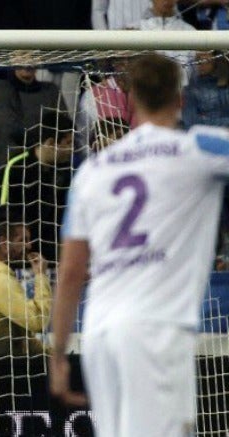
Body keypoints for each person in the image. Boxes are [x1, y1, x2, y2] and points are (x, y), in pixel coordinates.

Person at [50, 53, 229, 436]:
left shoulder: (92, 170)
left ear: (130, 102)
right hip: (155, 330)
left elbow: (69, 273)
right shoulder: (197, 149)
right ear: (180, 99)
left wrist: (59, 353)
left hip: (99, 333)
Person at [0, 218, 52, 357]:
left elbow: (19, 335)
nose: (29, 246)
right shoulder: (0, 282)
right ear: (4, 243)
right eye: (22, 240)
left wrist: (51, 354)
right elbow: (38, 321)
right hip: (1, 371)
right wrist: (41, 275)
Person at [0, 110, 74, 264]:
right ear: (52, 143)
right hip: (23, 253)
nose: (72, 149)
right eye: (68, 143)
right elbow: (4, 214)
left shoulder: (67, 170)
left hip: (55, 253)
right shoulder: (16, 167)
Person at [0, 65, 66, 183]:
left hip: (49, 172)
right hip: (12, 170)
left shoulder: (51, 91)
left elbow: (64, 126)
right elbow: (9, 128)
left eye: (33, 56)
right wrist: (41, 147)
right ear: (12, 58)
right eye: (22, 55)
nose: (28, 62)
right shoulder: (1, 89)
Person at [182, 50, 229, 129]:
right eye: (198, 61)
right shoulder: (191, 90)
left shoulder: (224, 86)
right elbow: (191, 122)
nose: (201, 65)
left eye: (206, 61)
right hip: (207, 136)